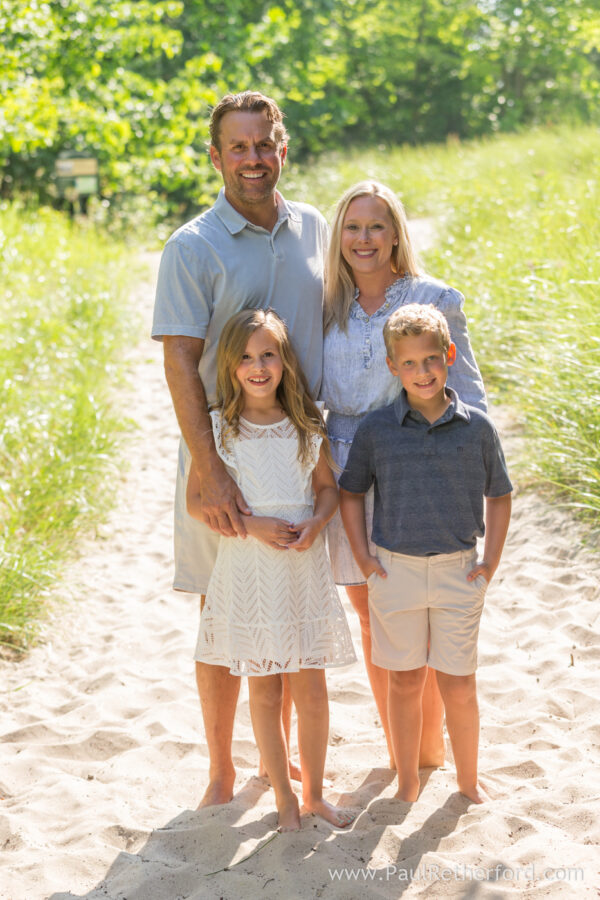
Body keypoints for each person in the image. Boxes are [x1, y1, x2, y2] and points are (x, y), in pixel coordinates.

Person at [152, 91, 329, 807]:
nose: (253, 158)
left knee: (288, 608)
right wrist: (210, 469)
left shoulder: (316, 227)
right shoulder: (192, 245)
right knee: (221, 615)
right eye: (238, 146)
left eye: (265, 144)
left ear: (282, 148)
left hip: (298, 453)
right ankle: (224, 768)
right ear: (216, 155)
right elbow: (178, 363)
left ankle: (279, 766)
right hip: (220, 454)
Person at [320, 180, 488, 769]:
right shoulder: (324, 306)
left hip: (416, 469)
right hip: (347, 466)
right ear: (337, 236)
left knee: (429, 613)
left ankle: (431, 747)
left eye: (376, 226)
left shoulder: (432, 298)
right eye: (352, 227)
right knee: (373, 610)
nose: (363, 239)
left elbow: (470, 399)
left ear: (396, 234)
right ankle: (402, 746)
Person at [188, 308, 356, 831]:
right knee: (264, 688)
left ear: (284, 360)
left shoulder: (307, 422)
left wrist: (317, 522)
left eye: (268, 355)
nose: (257, 367)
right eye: (244, 357)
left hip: (302, 570)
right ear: (230, 366)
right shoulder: (219, 430)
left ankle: (314, 794)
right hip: (249, 570)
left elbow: (328, 488)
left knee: (311, 687)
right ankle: (282, 795)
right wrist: (250, 524)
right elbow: (197, 502)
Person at [339, 304, 512, 803]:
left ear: (449, 356)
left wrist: (490, 562)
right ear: (393, 367)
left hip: (461, 571)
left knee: (459, 684)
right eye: (410, 363)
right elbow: (351, 493)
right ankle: (409, 781)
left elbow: (499, 495)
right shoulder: (377, 430)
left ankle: (467, 782)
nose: (422, 372)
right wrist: (365, 560)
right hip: (395, 572)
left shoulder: (477, 428)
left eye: (432, 359)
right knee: (406, 681)